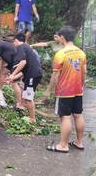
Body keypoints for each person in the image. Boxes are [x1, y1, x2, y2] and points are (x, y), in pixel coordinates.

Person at [47, 25, 87, 153]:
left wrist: (48, 90)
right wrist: (81, 85)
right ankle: (79, 142)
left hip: (64, 91)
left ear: (62, 37)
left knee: (65, 117)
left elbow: (56, 74)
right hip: (78, 90)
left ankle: (63, 145)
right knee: (78, 115)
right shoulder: (81, 53)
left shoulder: (60, 54)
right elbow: (84, 72)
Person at [6, 32, 43, 123]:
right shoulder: (26, 47)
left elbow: (23, 63)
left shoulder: (21, 47)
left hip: (32, 75)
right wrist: (12, 78)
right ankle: (21, 105)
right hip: (31, 73)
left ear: (15, 40)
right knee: (22, 86)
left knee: (28, 98)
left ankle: (32, 118)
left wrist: (12, 74)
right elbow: (24, 69)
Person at [31, 32, 64, 102]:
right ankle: (54, 96)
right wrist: (31, 45)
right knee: (55, 79)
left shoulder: (65, 44)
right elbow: (43, 44)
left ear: (61, 37)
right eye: (54, 37)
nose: (55, 39)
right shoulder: (52, 43)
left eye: (57, 37)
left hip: (64, 65)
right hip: (56, 65)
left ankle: (59, 97)